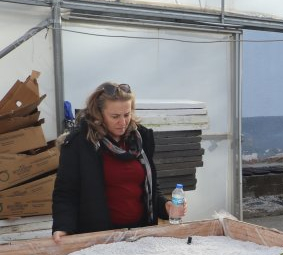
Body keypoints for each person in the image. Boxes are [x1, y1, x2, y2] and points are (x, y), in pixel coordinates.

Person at [52, 82, 184, 243]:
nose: (122, 122)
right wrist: (63, 226)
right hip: (98, 238)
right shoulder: (80, 143)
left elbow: (149, 190)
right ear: (99, 114)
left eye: (127, 114)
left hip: (139, 235)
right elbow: (66, 193)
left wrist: (166, 206)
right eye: (115, 116)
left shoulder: (140, 140)